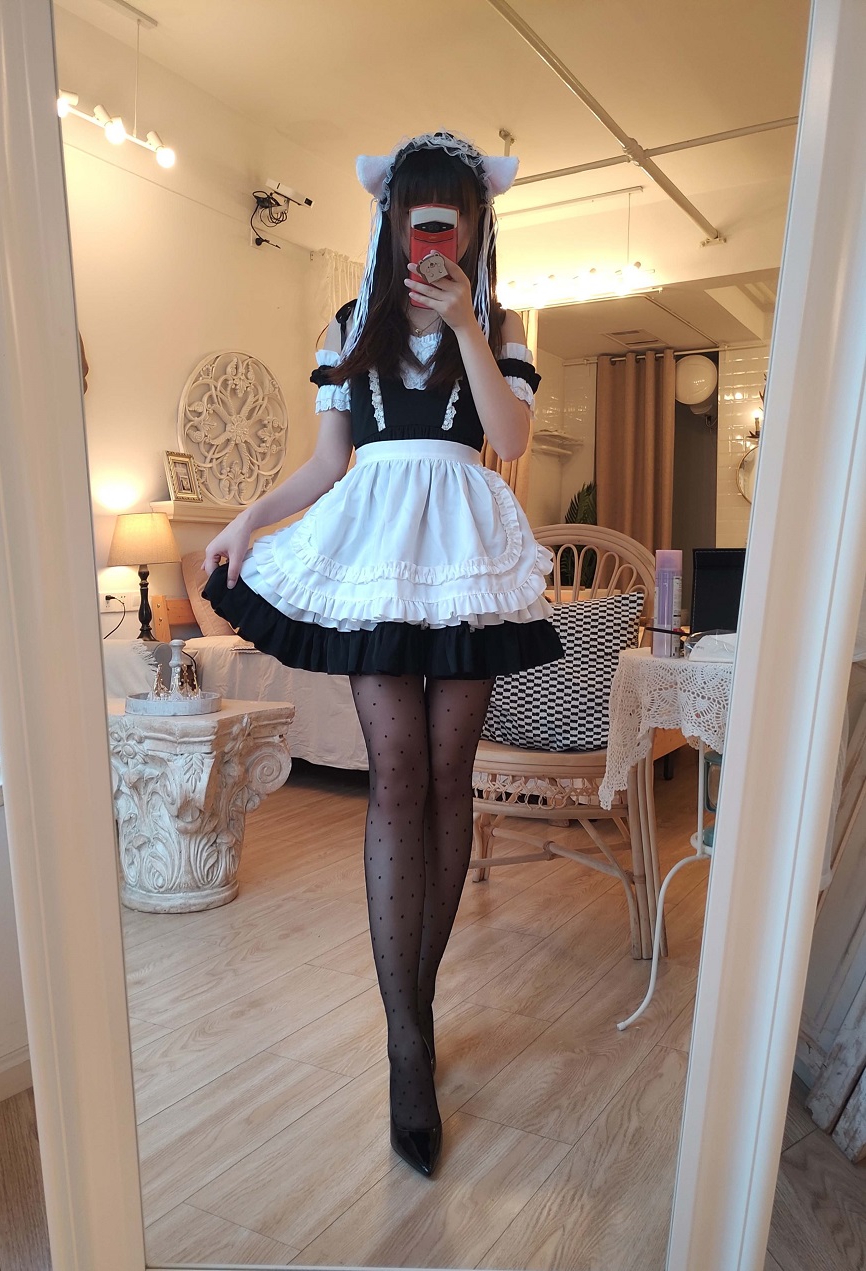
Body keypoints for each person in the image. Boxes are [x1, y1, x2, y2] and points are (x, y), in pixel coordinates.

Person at [202, 130, 562, 1177]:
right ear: (394, 219)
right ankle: (408, 1042)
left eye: (453, 214)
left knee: (451, 775)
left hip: (464, 553)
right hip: (375, 550)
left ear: (475, 225)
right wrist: (248, 518)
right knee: (396, 773)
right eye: (418, 213)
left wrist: (469, 323)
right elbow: (327, 462)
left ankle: (421, 1000)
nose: (433, 232)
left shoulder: (499, 322)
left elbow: (509, 439)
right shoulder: (350, 321)